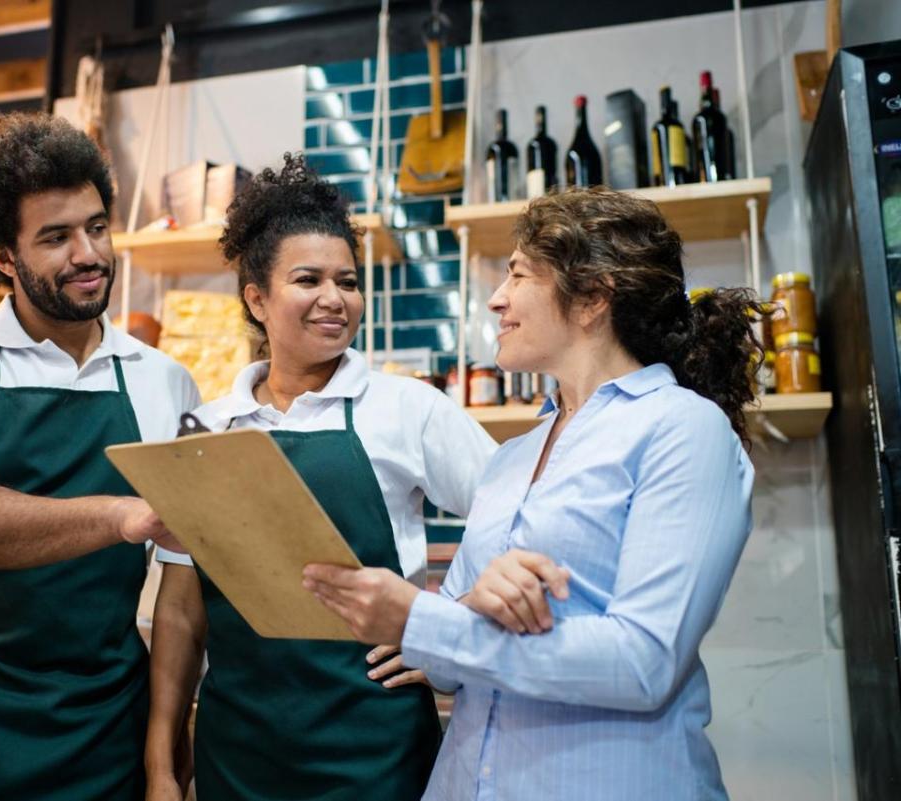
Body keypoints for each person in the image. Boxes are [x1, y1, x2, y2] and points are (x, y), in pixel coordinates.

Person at [305, 186, 760, 800]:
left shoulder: (682, 428)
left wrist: (423, 618)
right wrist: (465, 611)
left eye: (517, 275)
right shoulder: (514, 458)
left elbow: (644, 662)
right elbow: (442, 666)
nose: (496, 299)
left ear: (594, 296)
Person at [145, 153, 498, 801]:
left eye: (349, 280)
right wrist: (161, 760)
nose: (335, 299)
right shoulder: (207, 426)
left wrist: (450, 625)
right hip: (239, 751)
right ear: (257, 298)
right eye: (308, 279)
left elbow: (522, 515)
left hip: (374, 749)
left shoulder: (406, 409)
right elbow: (181, 608)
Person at [0, 113, 200, 801]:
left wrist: (162, 762)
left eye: (96, 227)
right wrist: (120, 515)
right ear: (3, 256)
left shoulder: (163, 382)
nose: (88, 253)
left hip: (101, 730)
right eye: (55, 237)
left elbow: (182, 587)